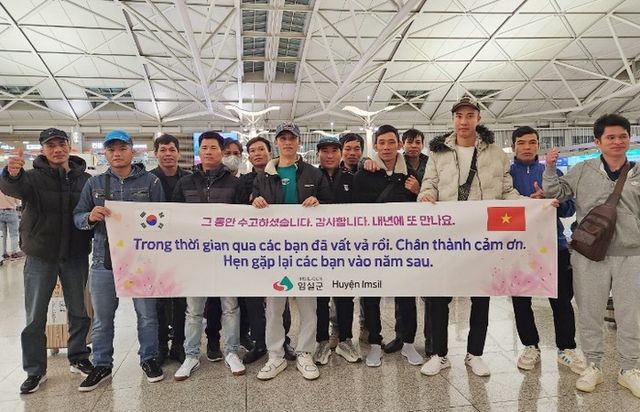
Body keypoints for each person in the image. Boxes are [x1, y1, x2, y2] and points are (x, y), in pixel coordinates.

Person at [418, 96, 521, 378]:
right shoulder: (438, 153)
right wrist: (426, 195)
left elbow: (506, 190)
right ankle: (439, 354)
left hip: (482, 237)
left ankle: (475, 354)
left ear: (478, 119)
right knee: (438, 298)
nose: (463, 121)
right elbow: (429, 184)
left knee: (481, 297)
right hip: (447, 236)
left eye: (469, 116)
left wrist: (532, 205)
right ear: (453, 119)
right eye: (459, 116)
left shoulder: (496, 154)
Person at [543, 114, 640, 397]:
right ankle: (593, 365)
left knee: (631, 315)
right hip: (589, 255)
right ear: (598, 142)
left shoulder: (637, 172)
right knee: (590, 313)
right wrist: (550, 168)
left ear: (629, 139)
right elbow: (557, 192)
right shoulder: (583, 170)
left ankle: (629, 369)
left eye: (623, 136)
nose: (617, 142)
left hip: (630, 255)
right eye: (610, 137)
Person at [1, 128, 93, 394]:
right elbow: (13, 187)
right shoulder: (31, 177)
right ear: (43, 149)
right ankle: (35, 370)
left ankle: (78, 356)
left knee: (79, 310)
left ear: (69, 146)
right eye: (51, 145)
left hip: (75, 253)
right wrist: (11, 173)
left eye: (61, 144)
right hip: (41, 254)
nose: (57, 149)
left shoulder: (84, 178)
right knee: (35, 315)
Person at [73, 130, 165, 392]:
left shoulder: (151, 182)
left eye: (122, 148)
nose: (117, 154)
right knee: (102, 318)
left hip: (142, 261)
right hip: (104, 262)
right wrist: (90, 217)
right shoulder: (94, 184)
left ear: (132, 151)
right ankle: (102, 364)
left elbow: (163, 218)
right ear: (105, 153)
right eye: (111, 149)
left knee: (147, 315)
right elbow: (78, 217)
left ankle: (149, 358)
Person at [252, 122, 331, 381]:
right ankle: (275, 355)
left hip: (307, 251)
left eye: (292, 138)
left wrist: (319, 202)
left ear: (298, 142)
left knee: (308, 306)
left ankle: (305, 353)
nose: (287, 142)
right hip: (275, 252)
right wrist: (255, 201)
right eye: (282, 138)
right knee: (275, 308)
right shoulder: (264, 175)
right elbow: (252, 204)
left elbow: (331, 206)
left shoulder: (313, 174)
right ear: (276, 142)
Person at [509, 126, 586, 374]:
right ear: (513, 146)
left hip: (553, 245)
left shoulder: (552, 173)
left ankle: (566, 347)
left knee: (561, 300)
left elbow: (569, 209)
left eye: (532, 142)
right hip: (518, 247)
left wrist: (550, 201)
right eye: (522, 142)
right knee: (521, 301)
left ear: (538, 145)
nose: (527, 147)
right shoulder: (506, 175)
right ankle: (530, 345)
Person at [171, 131, 246, 380]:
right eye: (204, 147)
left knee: (230, 307)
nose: (209, 152)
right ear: (199, 151)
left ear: (221, 152)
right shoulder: (185, 183)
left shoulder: (235, 184)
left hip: (227, 256)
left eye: (214, 148)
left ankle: (231, 351)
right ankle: (191, 354)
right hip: (194, 257)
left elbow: (244, 220)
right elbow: (175, 218)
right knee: (193, 310)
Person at [353, 125, 423, 368]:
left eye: (391, 142)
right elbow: (356, 211)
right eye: (381, 143)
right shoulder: (364, 174)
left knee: (406, 294)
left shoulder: (412, 175)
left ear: (399, 145)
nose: (386, 147)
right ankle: (375, 343)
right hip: (372, 247)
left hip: (403, 247)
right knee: (371, 295)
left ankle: (408, 342)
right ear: (375, 146)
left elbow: (424, 210)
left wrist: (418, 192)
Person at [313, 136, 361, 365]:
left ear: (340, 154)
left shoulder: (351, 179)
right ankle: (321, 341)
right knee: (320, 297)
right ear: (318, 154)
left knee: (345, 296)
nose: (330, 155)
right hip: (318, 248)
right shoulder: (310, 178)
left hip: (345, 249)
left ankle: (345, 340)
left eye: (334, 151)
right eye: (325, 151)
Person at [150, 134, 191, 364]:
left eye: (172, 149)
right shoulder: (148, 179)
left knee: (181, 300)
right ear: (156, 153)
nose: (168, 154)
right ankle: (160, 346)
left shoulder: (189, 179)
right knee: (159, 300)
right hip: (156, 248)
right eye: (163, 150)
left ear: (178, 153)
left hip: (184, 248)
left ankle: (179, 344)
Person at [0, 189, 22, 262]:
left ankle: (3, 253)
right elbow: (18, 202)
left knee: (2, 235)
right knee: (14, 234)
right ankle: (14, 253)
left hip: (0, 212)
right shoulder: (12, 189)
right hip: (11, 212)